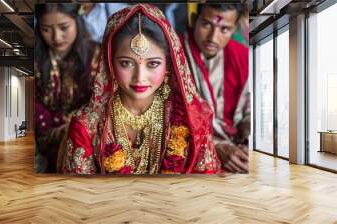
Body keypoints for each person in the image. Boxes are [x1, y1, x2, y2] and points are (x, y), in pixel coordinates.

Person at [63, 4, 221, 175]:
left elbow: (204, 185)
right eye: (126, 63)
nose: (140, 77)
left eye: (153, 64)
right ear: (110, 64)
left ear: (168, 65)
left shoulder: (193, 120)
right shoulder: (86, 127)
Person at [180, 3, 250, 173]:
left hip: (235, 148)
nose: (213, 37)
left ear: (234, 30)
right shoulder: (173, 53)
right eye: (206, 25)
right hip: (189, 150)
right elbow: (168, 116)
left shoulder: (242, 56)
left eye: (224, 29)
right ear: (193, 20)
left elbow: (252, 107)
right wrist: (214, 145)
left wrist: (250, 136)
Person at [34, 3, 99, 173]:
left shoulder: (97, 55)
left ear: (77, 20)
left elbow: (101, 100)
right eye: (46, 29)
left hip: (85, 139)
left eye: (64, 27)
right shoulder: (35, 57)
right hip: (43, 140)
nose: (56, 37)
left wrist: (74, 126)